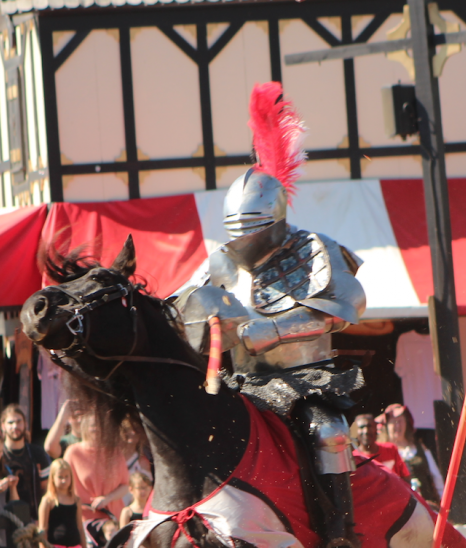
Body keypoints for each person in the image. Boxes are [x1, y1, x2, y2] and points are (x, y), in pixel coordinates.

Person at [175, 82, 367, 548]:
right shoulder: (221, 261)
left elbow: (341, 311)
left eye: (252, 232)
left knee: (329, 431)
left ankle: (339, 530)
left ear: (277, 221)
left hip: (304, 379)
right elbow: (184, 305)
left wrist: (273, 330)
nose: (242, 243)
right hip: (240, 381)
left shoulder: (312, 248)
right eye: (236, 233)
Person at [63, 414, 129, 522]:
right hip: (84, 521)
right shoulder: (73, 453)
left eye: (100, 425)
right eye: (93, 425)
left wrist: (107, 498)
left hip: (114, 520)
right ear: (85, 427)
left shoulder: (115, 452)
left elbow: (125, 486)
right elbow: (63, 486)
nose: (97, 429)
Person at [382, 404, 444, 508]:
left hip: (427, 507)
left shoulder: (420, 448)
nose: (397, 425)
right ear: (387, 425)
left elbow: (437, 478)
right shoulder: (383, 453)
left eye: (400, 421)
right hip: (400, 509)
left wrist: (443, 504)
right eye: (393, 422)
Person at [0, 403, 51, 510]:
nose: (15, 426)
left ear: (25, 424)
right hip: (4, 518)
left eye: (19, 422)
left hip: (33, 518)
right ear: (3, 426)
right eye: (10, 422)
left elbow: (46, 489)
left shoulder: (37, 453)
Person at [39, 458, 85, 548]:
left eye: (66, 476)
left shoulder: (76, 500)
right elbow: (43, 529)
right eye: (60, 477)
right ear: (52, 478)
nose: (64, 480)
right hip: (55, 545)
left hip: (75, 545)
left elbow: (80, 527)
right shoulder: (48, 501)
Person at [352, 413, 410, 480]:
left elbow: (405, 478)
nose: (366, 431)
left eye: (369, 426)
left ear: (376, 429)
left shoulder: (390, 449)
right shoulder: (354, 458)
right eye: (361, 427)